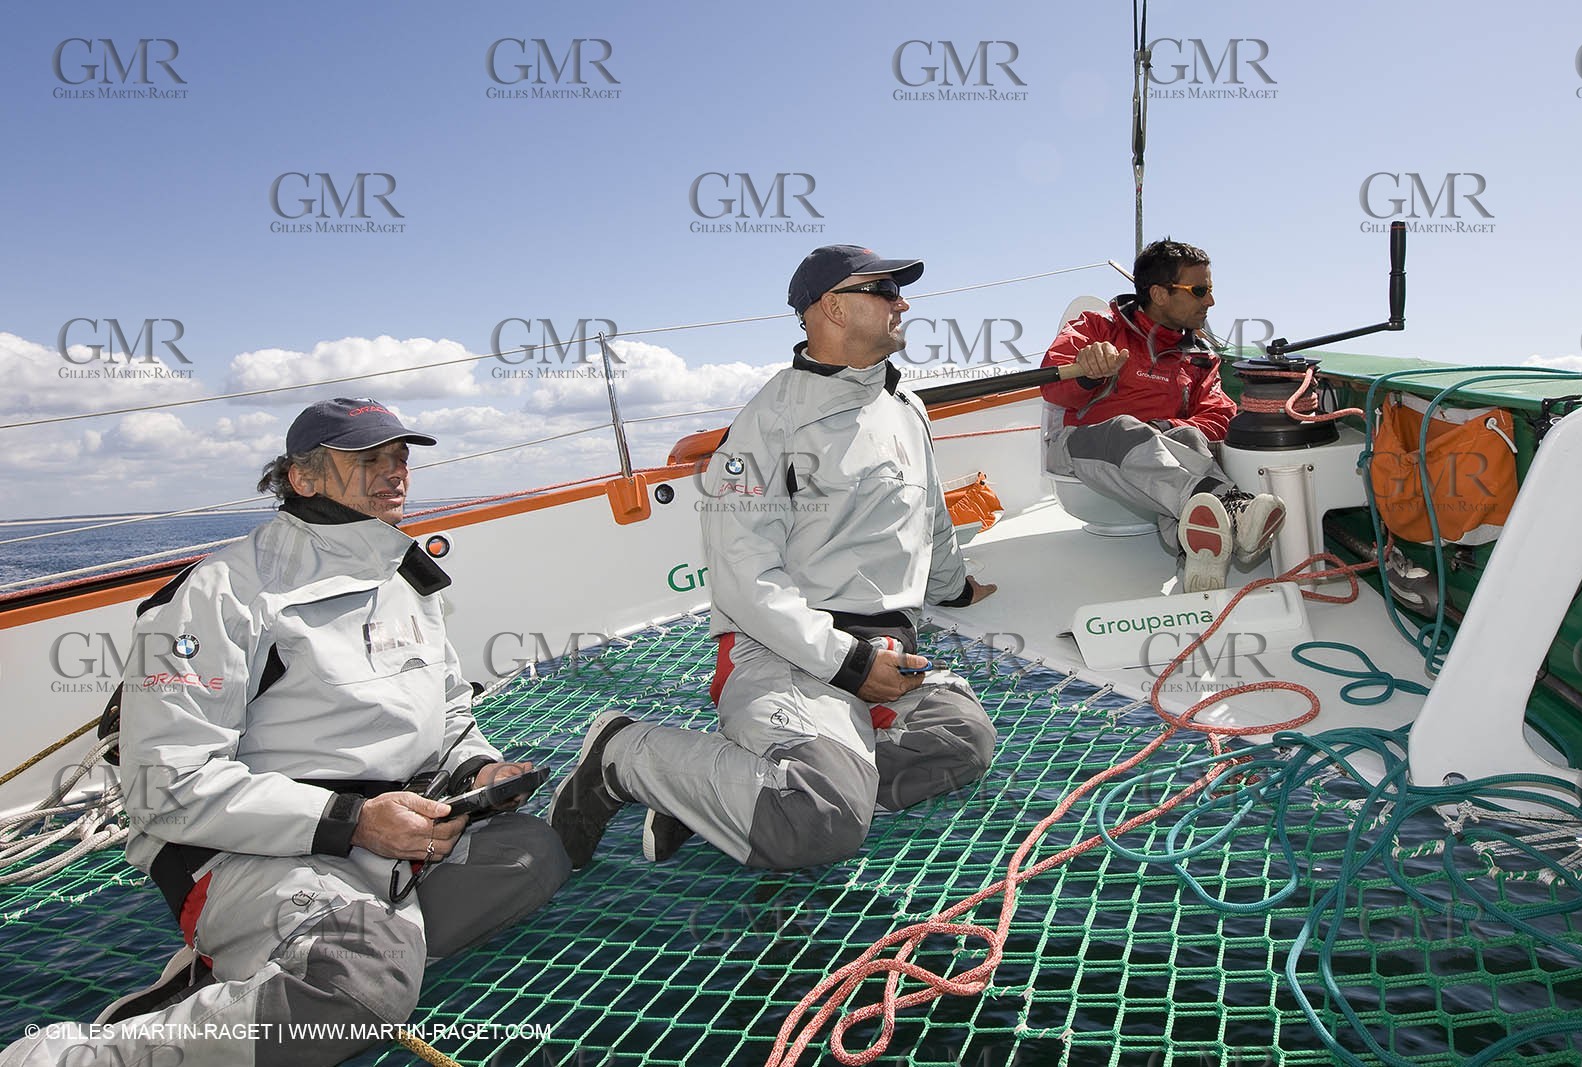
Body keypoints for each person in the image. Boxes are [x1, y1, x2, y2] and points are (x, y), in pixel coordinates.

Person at [0, 398, 569, 1067]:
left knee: (535, 852)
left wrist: (479, 770)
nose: (395, 472)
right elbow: (164, 785)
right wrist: (353, 822)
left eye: (399, 456)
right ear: (302, 477)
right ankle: (74, 1055)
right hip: (243, 850)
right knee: (366, 977)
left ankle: (299, 962)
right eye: (368, 459)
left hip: (390, 831)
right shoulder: (219, 593)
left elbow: (449, 716)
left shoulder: (409, 581)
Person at [550, 244, 998, 871]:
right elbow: (743, 580)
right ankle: (623, 756)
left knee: (964, 741)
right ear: (833, 307)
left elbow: (930, 517)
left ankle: (718, 785)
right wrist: (851, 666)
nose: (902, 304)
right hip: (788, 651)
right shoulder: (768, 424)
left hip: (882, 649)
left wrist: (953, 588)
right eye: (884, 290)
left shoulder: (906, 406)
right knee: (819, 819)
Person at [1040, 238, 1286, 592]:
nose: (1210, 301)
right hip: (1081, 446)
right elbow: (1053, 385)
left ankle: (1199, 559)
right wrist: (1087, 371)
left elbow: (1218, 417)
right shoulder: (1096, 327)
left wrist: (1163, 427)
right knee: (1126, 429)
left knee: (1189, 437)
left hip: (1157, 454)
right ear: (1158, 294)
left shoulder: (1200, 357)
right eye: (1199, 290)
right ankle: (1231, 508)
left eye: (1209, 290)